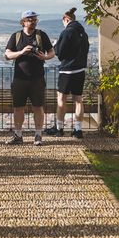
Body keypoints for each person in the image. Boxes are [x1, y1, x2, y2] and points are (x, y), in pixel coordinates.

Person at [4, 10, 55, 146]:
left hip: (37, 78)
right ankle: (18, 135)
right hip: (20, 78)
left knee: (38, 107)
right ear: (23, 22)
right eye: (30, 19)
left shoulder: (41, 35)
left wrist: (44, 57)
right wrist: (21, 52)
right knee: (18, 107)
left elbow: (52, 52)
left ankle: (38, 135)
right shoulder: (16, 36)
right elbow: (7, 54)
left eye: (34, 19)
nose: (33, 22)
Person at [45, 8, 90, 139]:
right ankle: (78, 129)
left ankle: (59, 128)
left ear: (66, 19)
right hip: (80, 70)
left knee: (61, 99)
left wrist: (55, 45)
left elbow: (60, 53)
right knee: (78, 100)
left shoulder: (67, 32)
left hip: (67, 70)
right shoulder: (83, 33)